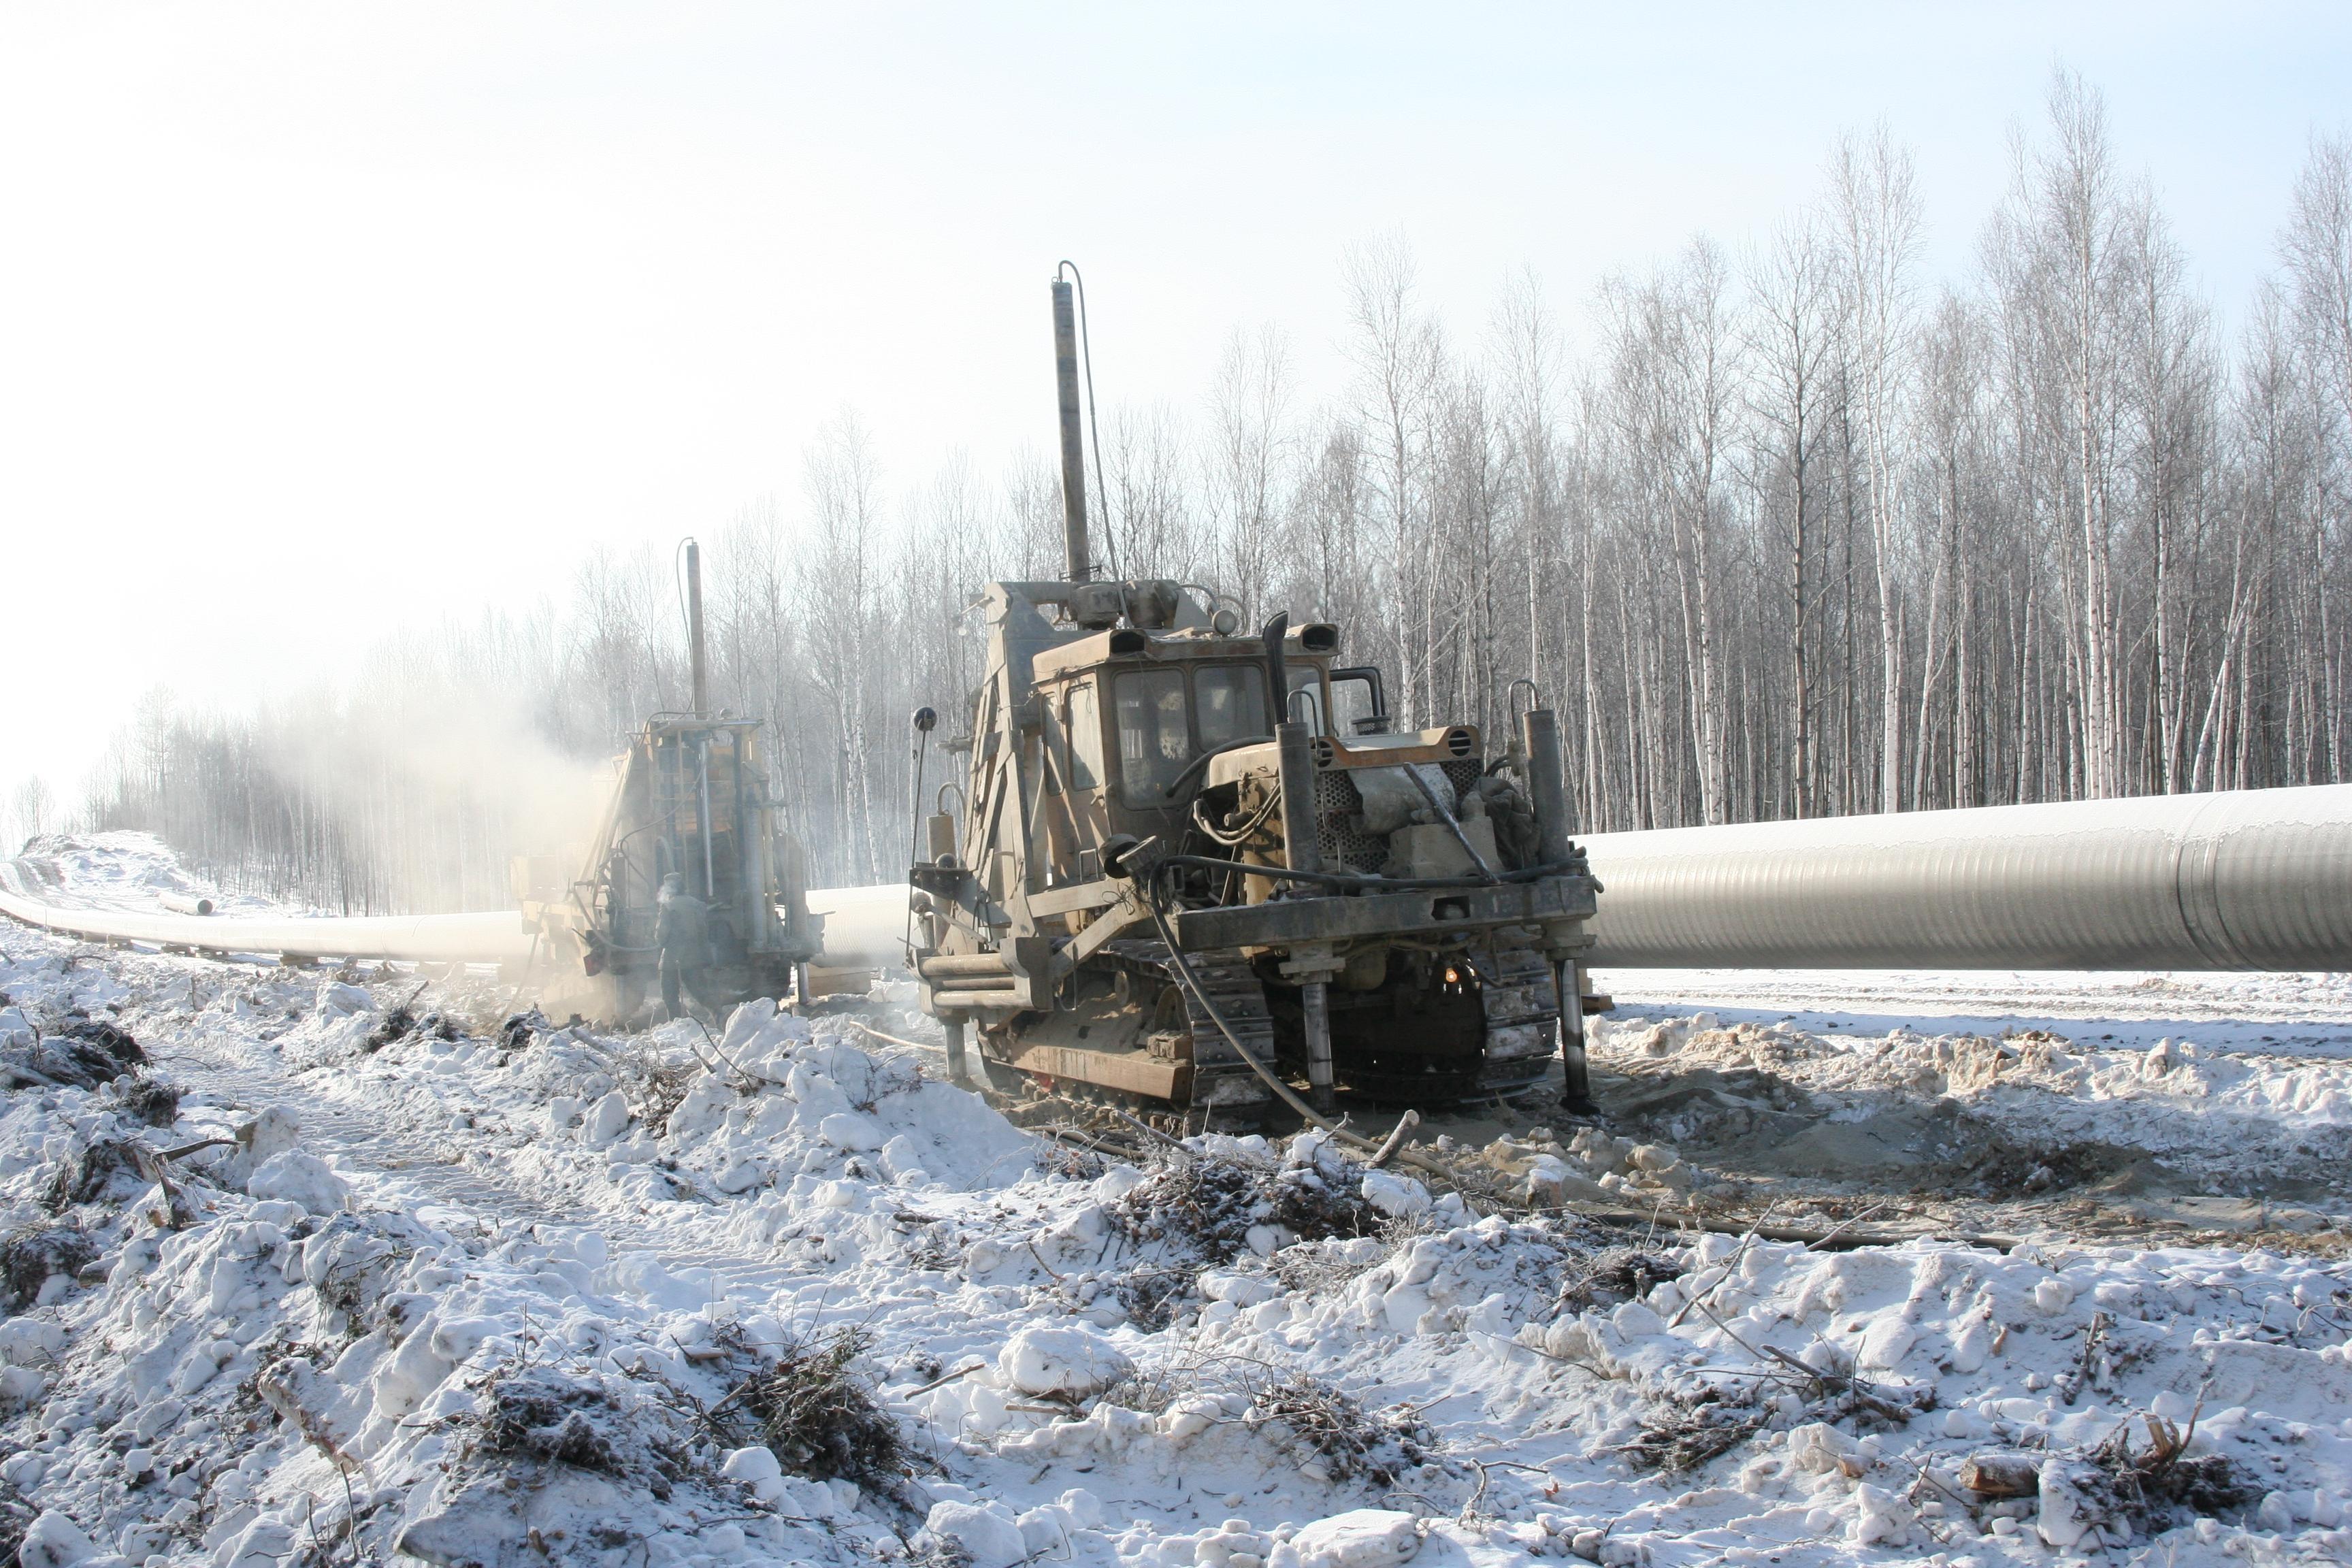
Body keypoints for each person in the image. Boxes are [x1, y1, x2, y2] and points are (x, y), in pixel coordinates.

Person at [654, 872, 709, 1022]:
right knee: (701, 992)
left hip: (672, 959)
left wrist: (660, 941)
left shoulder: (668, 906)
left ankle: (677, 1023)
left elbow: (661, 935)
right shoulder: (696, 904)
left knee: (670, 995)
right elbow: (703, 930)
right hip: (694, 957)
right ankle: (719, 1016)